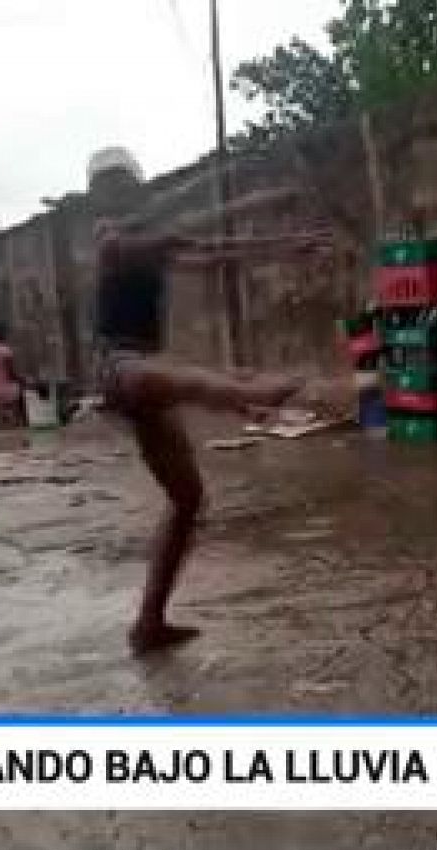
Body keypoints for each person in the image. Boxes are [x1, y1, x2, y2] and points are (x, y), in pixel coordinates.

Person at [94, 215, 332, 654]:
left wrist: (284, 244)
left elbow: (214, 256)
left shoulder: (153, 258)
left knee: (187, 499)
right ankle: (253, 395)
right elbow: (132, 242)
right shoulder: (116, 249)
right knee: (190, 379)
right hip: (122, 370)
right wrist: (172, 235)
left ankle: (149, 624)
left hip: (147, 377)